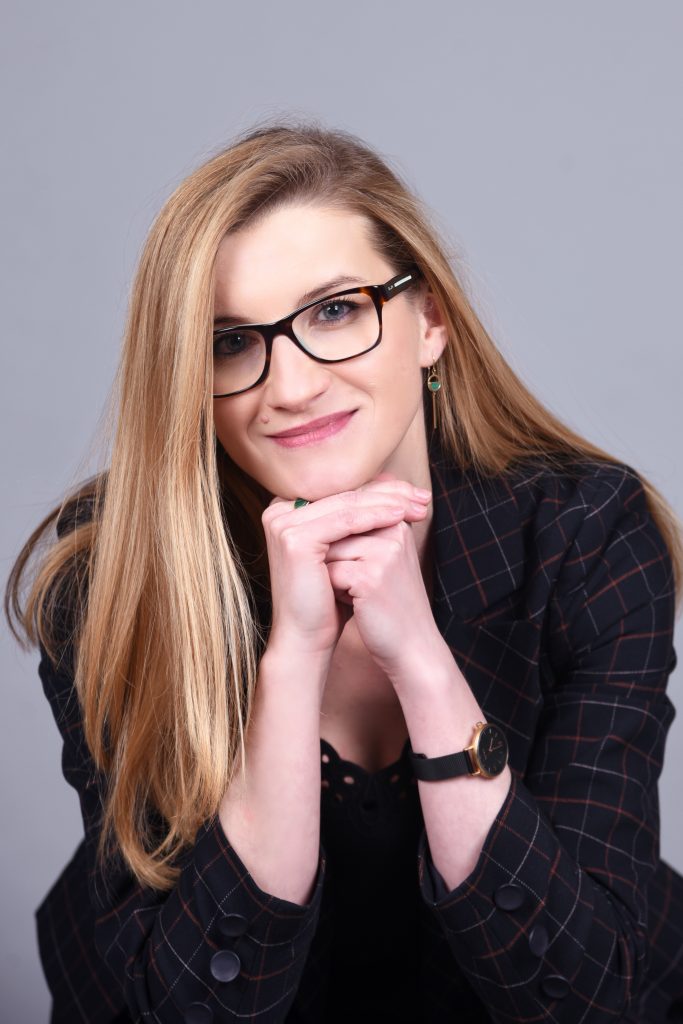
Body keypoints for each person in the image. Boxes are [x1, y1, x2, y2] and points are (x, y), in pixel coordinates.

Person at [5, 121, 683, 1024]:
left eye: (334, 311)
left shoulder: (583, 534)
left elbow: (585, 996)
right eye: (229, 342)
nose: (289, 387)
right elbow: (194, 1003)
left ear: (429, 321)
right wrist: (291, 662)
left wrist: (425, 666)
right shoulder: (115, 572)